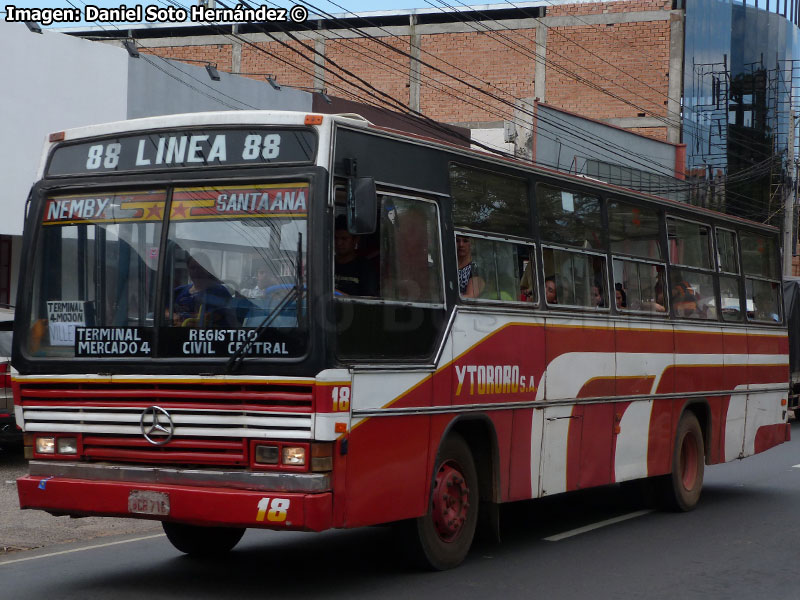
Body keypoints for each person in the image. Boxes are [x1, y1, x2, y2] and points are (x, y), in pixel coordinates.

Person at [172, 251, 232, 327]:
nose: (196, 271)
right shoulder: (179, 291)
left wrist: (183, 321)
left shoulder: (220, 292)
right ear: (188, 270)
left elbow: (210, 317)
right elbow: (164, 309)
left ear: (207, 270)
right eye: (192, 268)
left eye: (200, 267)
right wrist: (172, 315)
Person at [335, 215, 377, 296]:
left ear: (356, 240)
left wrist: (338, 295)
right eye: (336, 238)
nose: (339, 243)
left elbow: (368, 302)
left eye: (344, 239)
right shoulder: (327, 264)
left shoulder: (365, 268)